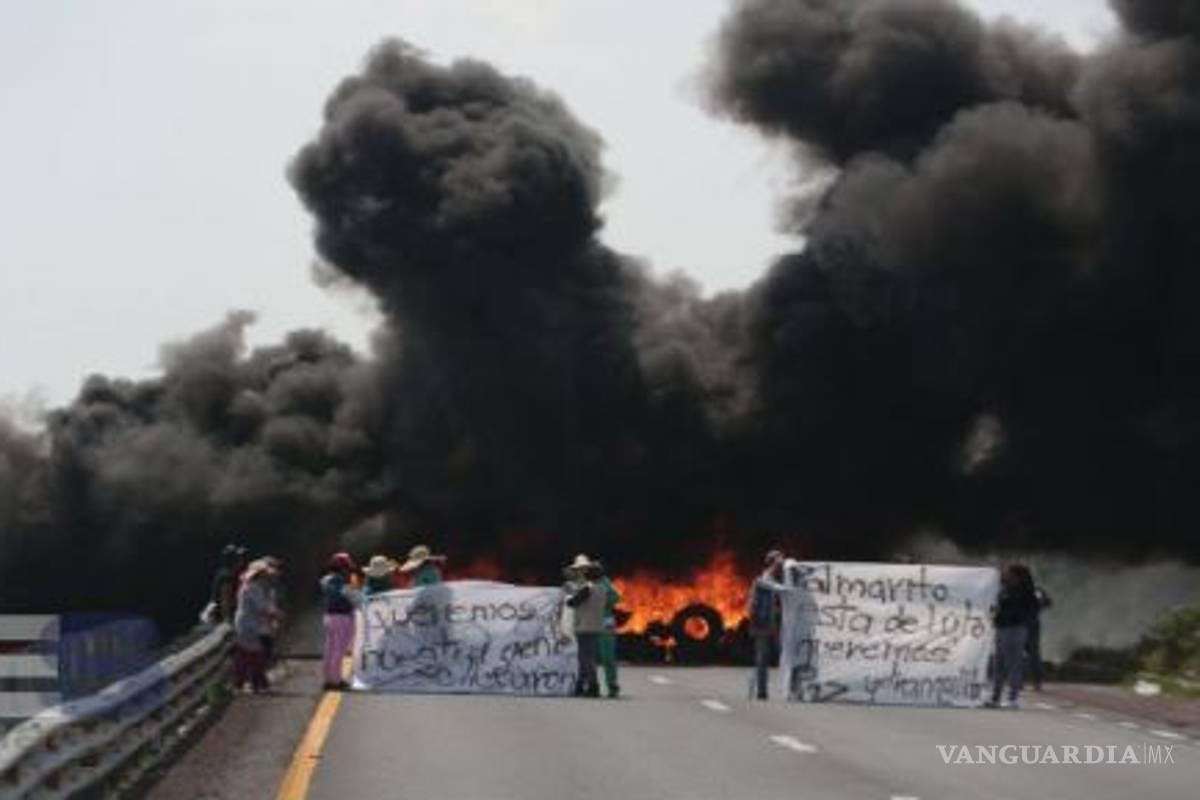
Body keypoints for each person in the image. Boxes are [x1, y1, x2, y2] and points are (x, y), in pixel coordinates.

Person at [987, 563, 1040, 709]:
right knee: (999, 663)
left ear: (1017, 576)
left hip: (1015, 629)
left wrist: (1016, 617)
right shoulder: (1004, 589)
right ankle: (995, 696)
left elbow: (1032, 610)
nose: (1005, 575)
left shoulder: (1025, 592)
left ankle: (1013, 697)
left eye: (1009, 573)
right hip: (1002, 628)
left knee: (1012, 663)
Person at [233, 559, 281, 693]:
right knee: (254, 654)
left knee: (251, 654)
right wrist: (275, 614)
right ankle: (256, 683)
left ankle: (254, 683)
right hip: (249, 625)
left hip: (251, 624)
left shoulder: (254, 587)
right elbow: (262, 607)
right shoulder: (253, 587)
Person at [563, 554, 606, 698]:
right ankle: (580, 686)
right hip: (596, 626)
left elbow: (572, 603)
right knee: (586, 657)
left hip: (584, 627)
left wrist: (569, 595)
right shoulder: (601, 589)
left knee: (586, 659)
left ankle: (593, 687)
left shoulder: (588, 589)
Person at [746, 549, 785, 700]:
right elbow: (751, 605)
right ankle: (761, 691)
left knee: (784, 654)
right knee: (762, 657)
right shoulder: (761, 581)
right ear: (771, 563)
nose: (779, 566)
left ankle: (793, 689)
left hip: (778, 625)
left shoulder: (783, 580)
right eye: (777, 562)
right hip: (763, 624)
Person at [320, 552, 361, 691]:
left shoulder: (325, 580)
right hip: (342, 617)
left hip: (329, 616)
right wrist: (353, 591)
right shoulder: (339, 581)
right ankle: (336, 681)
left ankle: (328, 679)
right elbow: (346, 596)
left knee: (329, 649)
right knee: (338, 650)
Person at [595, 563, 622, 698]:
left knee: (608, 657)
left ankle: (612, 685)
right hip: (589, 624)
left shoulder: (606, 584)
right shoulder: (584, 583)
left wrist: (604, 598)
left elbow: (616, 598)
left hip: (605, 624)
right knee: (588, 658)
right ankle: (591, 685)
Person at [1026, 575, 1053, 692]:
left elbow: (1047, 602)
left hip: (1031, 625)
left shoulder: (1036, 591)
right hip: (1016, 624)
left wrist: (1038, 604)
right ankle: (1016, 681)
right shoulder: (1011, 589)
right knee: (1014, 653)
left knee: (1033, 653)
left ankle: (1037, 681)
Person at [210, 544, 248, 622]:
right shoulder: (226, 576)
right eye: (239, 557)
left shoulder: (230, 573)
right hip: (222, 616)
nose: (242, 559)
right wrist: (227, 620)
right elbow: (225, 600)